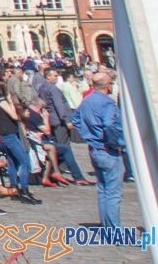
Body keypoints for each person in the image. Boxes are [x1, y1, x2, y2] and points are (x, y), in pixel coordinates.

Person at [70, 71, 126, 231]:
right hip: (107, 150)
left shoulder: (87, 100)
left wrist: (88, 135)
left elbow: (75, 119)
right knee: (113, 193)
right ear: (108, 86)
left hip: (95, 149)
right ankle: (115, 231)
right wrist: (114, 143)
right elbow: (109, 125)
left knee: (103, 190)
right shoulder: (106, 103)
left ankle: (107, 226)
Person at [0, 82, 37, 204]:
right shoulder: (0, 99)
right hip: (8, 133)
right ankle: (24, 189)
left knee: (12, 161)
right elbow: (14, 116)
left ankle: (14, 188)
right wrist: (10, 101)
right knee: (24, 161)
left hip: (6, 133)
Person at [37, 68, 88, 184]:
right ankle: (65, 172)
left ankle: (54, 171)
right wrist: (66, 120)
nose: (56, 77)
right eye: (54, 75)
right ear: (48, 76)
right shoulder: (53, 88)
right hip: (58, 120)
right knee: (64, 147)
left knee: (58, 147)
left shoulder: (42, 87)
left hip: (50, 119)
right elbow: (59, 105)